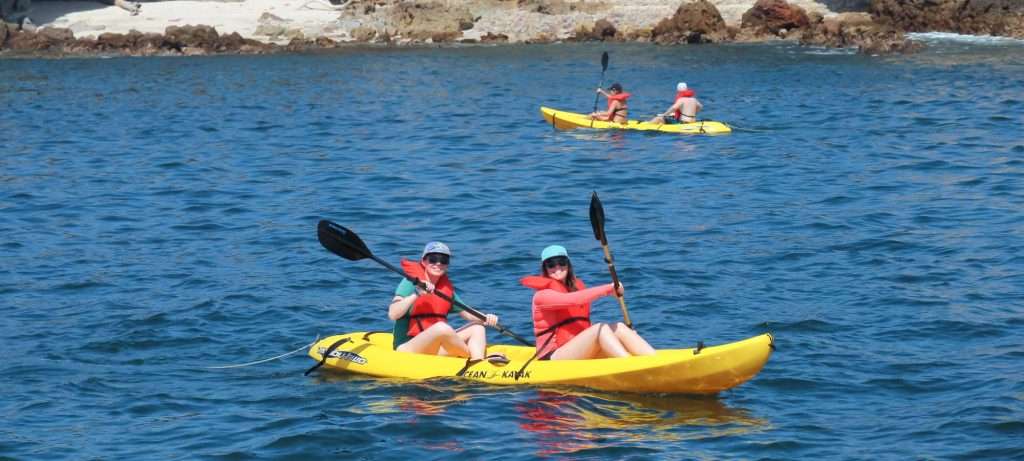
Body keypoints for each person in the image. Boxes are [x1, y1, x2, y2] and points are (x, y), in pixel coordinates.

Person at [520, 245, 655, 360]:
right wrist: (609, 289)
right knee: (599, 329)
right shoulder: (542, 296)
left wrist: (625, 336)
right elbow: (574, 300)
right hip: (552, 356)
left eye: (562, 262)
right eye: (551, 264)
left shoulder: (576, 287)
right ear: (544, 268)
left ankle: (653, 359)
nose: (557, 267)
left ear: (568, 265)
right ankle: (630, 365)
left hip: (577, 349)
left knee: (618, 327)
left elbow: (582, 323)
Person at [388, 241, 500, 362]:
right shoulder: (410, 282)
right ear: (424, 261)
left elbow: (467, 313)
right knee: (442, 328)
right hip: (407, 347)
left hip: (434, 347)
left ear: (447, 264)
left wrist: (486, 318)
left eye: (444, 260)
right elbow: (393, 314)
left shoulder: (445, 288)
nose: (438, 263)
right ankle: (473, 357)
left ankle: (478, 364)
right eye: (433, 259)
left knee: (478, 327)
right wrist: (416, 294)